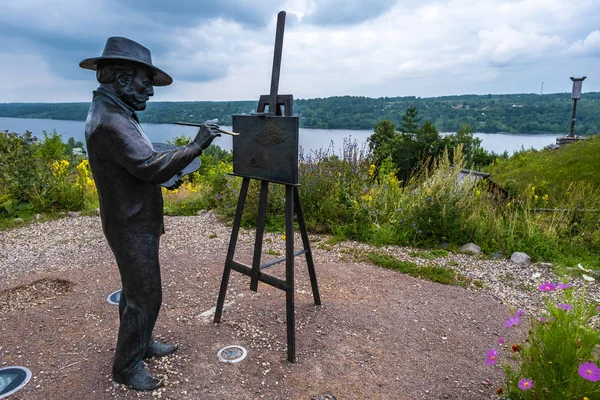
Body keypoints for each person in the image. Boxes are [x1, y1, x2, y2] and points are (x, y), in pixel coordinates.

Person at [79, 37, 220, 391]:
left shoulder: (117, 111)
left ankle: (141, 343)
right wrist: (196, 144)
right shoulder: (111, 119)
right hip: (130, 223)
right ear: (122, 78)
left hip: (132, 216)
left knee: (135, 291)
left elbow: (140, 160)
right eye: (146, 84)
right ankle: (126, 366)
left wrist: (166, 172)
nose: (150, 93)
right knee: (145, 295)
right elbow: (147, 163)